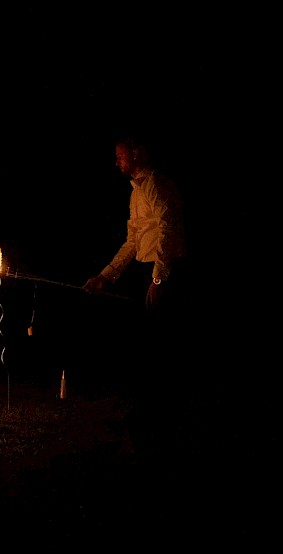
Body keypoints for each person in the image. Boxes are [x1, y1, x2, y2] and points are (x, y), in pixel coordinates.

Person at [82, 136, 191, 448]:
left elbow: (169, 231)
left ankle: (161, 422)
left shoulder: (157, 185)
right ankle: (147, 417)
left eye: (120, 155)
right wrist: (106, 276)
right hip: (149, 270)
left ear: (136, 154)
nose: (117, 161)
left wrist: (158, 279)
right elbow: (132, 240)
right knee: (145, 346)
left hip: (166, 271)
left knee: (159, 347)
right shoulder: (136, 193)